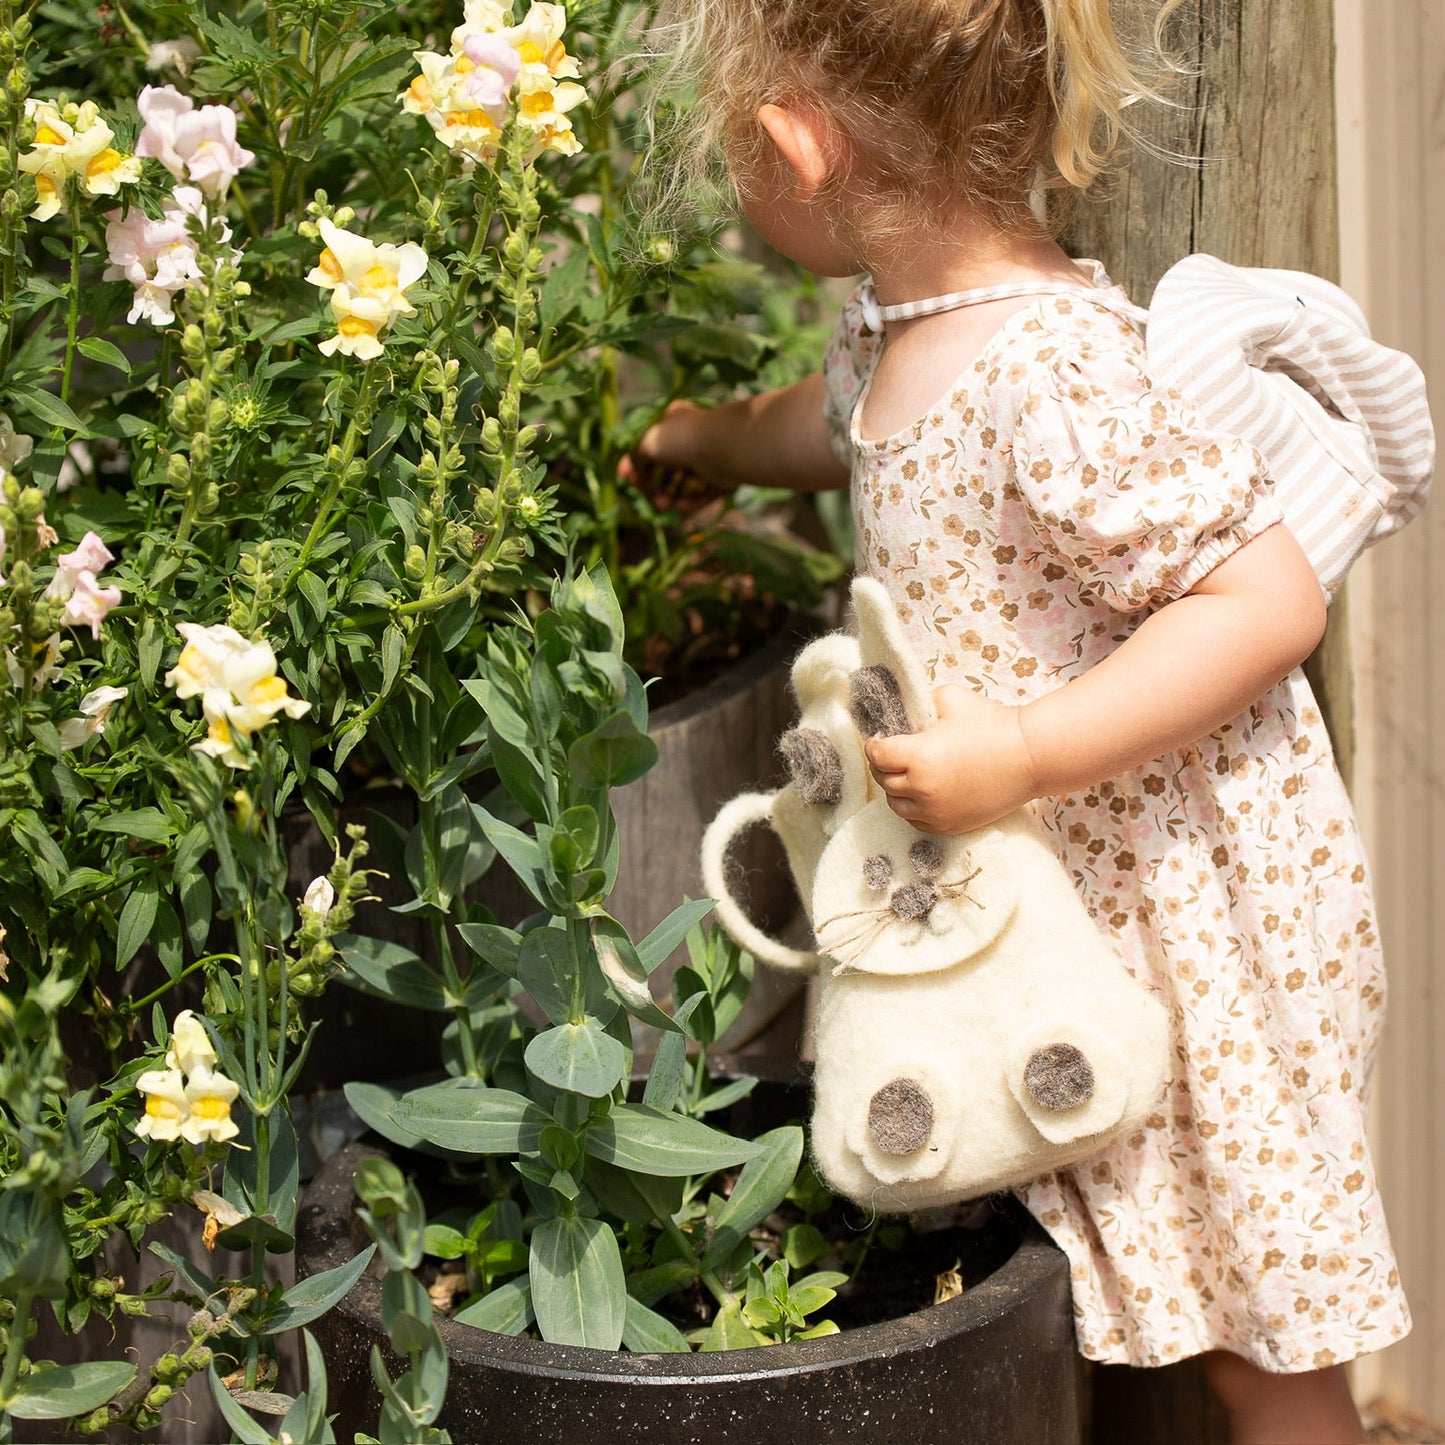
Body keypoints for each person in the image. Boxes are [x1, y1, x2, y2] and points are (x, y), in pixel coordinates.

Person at [629, 2, 1413, 1441]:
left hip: (1182, 919)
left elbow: (1268, 599)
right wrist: (697, 439)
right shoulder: (900, 332)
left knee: (1258, 1341)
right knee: (1085, 1272)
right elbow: (825, 424)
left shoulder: (1052, 369)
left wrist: (1026, 753)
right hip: (1055, 910)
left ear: (797, 146)